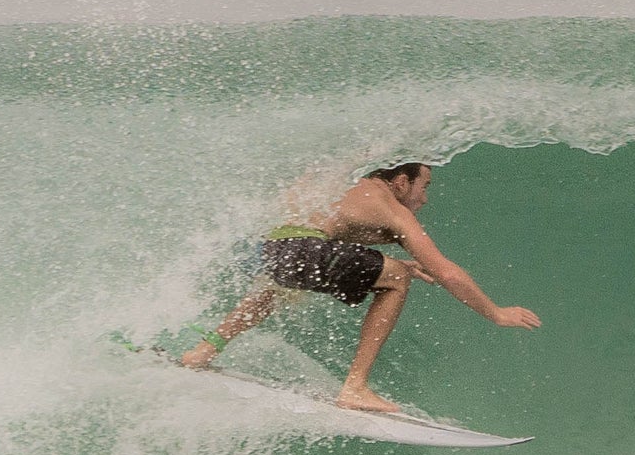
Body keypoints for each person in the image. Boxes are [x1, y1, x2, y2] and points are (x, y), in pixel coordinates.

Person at [179, 160, 539, 412]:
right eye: (424, 186)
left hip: (272, 248)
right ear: (401, 182)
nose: (424, 199)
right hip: (307, 247)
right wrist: (496, 313)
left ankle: (202, 351)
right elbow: (447, 273)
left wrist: (380, 262)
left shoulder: (346, 187)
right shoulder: (390, 207)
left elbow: (332, 234)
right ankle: (355, 387)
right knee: (396, 278)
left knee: (284, 286)